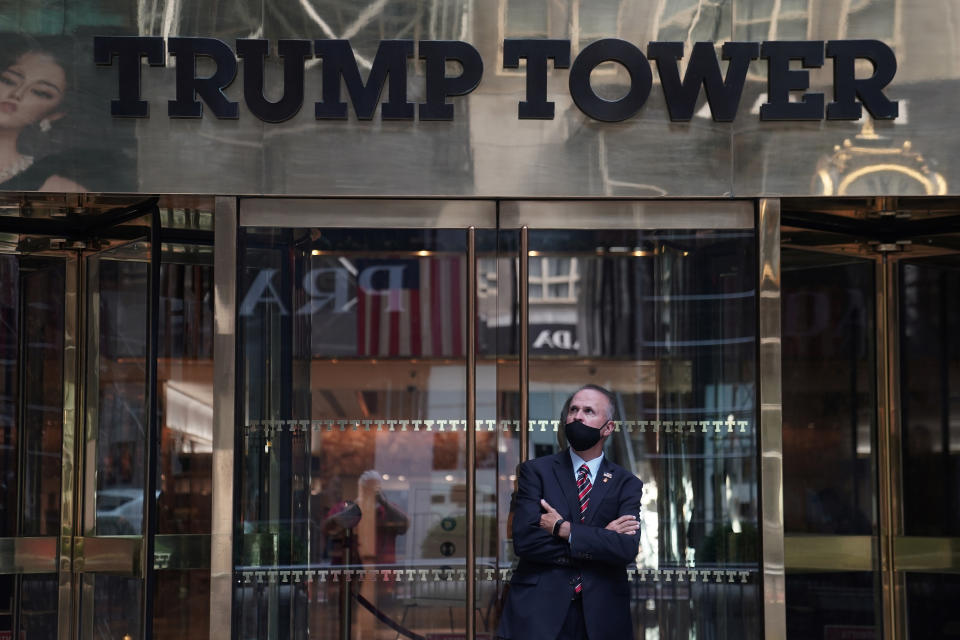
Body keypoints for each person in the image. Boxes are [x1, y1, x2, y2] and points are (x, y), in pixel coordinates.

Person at [497, 384, 643, 640]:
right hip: (539, 613)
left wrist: (564, 529)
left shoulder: (626, 483)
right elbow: (526, 541)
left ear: (608, 428)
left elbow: (625, 549)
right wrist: (598, 539)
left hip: (601, 617)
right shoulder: (535, 472)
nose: (578, 416)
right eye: (573, 409)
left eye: (588, 411)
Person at [0, 40, 84, 191]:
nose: (16, 94)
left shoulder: (57, 188)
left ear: (55, 114)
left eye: (40, 92)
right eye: (8, 80)